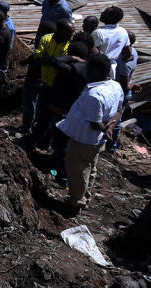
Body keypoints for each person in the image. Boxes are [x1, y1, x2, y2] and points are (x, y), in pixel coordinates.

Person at [56, 53, 124, 210]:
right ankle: (85, 195)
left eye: (89, 67)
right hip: (95, 140)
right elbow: (119, 110)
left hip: (84, 140)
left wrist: (106, 129)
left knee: (77, 170)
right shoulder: (115, 85)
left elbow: (95, 123)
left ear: (96, 70)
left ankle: (76, 201)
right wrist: (110, 127)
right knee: (91, 167)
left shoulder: (95, 94)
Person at [46, 41, 91, 187]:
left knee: (60, 145)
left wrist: (72, 58)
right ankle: (56, 169)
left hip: (62, 111)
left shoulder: (70, 69)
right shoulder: (91, 69)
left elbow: (54, 60)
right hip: (77, 113)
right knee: (64, 145)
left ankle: (61, 178)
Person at [26, 18, 75, 149]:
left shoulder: (71, 45)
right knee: (41, 115)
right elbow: (38, 58)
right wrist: (57, 62)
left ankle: (45, 143)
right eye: (69, 32)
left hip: (58, 87)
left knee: (53, 118)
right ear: (59, 31)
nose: (71, 36)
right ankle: (35, 140)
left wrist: (51, 60)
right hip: (45, 83)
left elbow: (67, 66)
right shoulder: (46, 39)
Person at [19, 20, 57, 136]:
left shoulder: (43, 43)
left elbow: (34, 58)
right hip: (45, 80)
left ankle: (27, 128)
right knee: (38, 105)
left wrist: (24, 62)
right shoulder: (54, 45)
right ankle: (35, 127)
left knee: (30, 105)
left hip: (34, 79)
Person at [108, 31, 139, 154]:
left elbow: (125, 86)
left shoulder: (125, 61)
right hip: (119, 92)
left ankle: (110, 148)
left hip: (119, 94)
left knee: (115, 121)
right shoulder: (133, 52)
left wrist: (133, 85)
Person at [92, 6, 129, 76]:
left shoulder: (98, 33)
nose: (102, 13)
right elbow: (127, 54)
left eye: (105, 12)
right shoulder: (123, 31)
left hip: (97, 69)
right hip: (112, 69)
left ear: (110, 18)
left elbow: (90, 50)